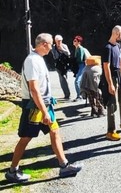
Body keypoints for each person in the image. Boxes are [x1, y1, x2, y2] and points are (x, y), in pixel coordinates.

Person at [5, 33, 82, 183]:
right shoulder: (32, 61)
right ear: (43, 44)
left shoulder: (38, 59)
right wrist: (44, 111)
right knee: (26, 138)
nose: (52, 47)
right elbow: (34, 89)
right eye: (50, 44)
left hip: (45, 105)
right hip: (34, 108)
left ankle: (64, 165)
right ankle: (12, 171)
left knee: (55, 132)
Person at [100, 25, 121, 141]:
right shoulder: (107, 48)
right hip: (111, 77)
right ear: (117, 33)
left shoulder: (119, 46)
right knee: (111, 103)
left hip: (120, 75)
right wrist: (110, 84)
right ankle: (110, 131)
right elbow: (106, 67)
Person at [51, 35, 71, 99]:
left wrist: (62, 49)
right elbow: (54, 56)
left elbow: (68, 54)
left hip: (65, 65)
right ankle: (67, 94)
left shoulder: (64, 46)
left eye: (60, 41)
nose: (59, 42)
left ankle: (67, 93)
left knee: (64, 78)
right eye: (58, 41)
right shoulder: (53, 47)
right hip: (58, 65)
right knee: (63, 78)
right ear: (55, 41)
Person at [73, 35, 89, 101]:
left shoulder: (80, 48)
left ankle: (80, 96)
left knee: (77, 81)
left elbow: (80, 59)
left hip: (82, 65)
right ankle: (81, 95)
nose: (73, 42)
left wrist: (74, 60)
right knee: (79, 81)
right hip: (79, 66)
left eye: (75, 41)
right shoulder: (77, 48)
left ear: (79, 42)